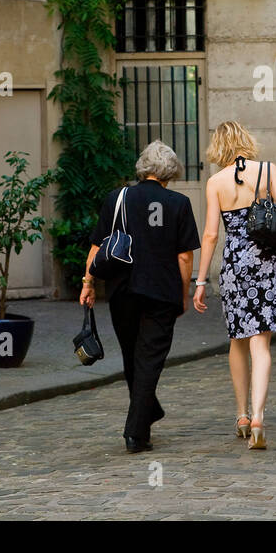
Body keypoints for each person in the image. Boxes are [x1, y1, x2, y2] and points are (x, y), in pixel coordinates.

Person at [82, 141, 200, 454]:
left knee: (133, 356)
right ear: (171, 172)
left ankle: (146, 414)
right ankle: (136, 432)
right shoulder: (179, 203)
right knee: (149, 359)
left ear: (142, 167)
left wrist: (88, 282)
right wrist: (183, 293)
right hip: (161, 293)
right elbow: (185, 257)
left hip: (123, 290)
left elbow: (98, 247)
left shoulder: (117, 198)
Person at [194, 120, 276, 450]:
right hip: (264, 260)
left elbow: (210, 234)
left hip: (234, 265)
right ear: (245, 141)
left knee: (237, 338)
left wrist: (200, 281)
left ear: (218, 147)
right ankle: (259, 418)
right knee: (260, 345)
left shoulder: (215, 183)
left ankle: (240, 414)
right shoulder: (267, 171)